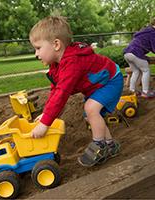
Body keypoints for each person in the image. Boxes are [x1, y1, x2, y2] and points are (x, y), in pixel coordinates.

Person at [29, 16, 123, 167]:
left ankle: (99, 145)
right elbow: (56, 90)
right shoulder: (57, 65)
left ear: (56, 44)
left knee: (91, 108)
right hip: (97, 86)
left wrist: (45, 124)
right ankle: (111, 146)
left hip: (111, 80)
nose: (36, 54)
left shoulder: (72, 62)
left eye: (38, 48)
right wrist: (46, 114)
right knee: (90, 115)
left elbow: (62, 94)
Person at [124, 17, 155, 98]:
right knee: (146, 70)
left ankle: (132, 90)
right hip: (136, 53)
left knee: (136, 71)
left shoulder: (144, 31)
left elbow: (141, 43)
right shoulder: (152, 32)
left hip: (127, 53)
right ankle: (145, 92)